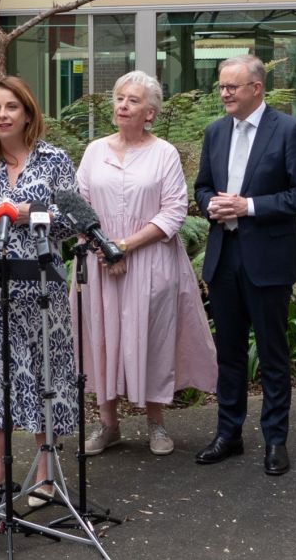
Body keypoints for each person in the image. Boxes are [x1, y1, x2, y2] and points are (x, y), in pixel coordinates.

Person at [75, 71, 217, 457]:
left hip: (151, 263)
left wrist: (124, 246)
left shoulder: (164, 153)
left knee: (152, 339)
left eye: (133, 100)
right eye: (119, 98)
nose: (122, 105)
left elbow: (173, 212)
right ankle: (108, 426)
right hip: (99, 262)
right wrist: (106, 249)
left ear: (150, 112)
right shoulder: (94, 151)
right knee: (101, 339)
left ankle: (156, 424)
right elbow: (79, 206)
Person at [193, 55, 296, 476]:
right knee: (228, 355)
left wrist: (247, 206)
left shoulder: (288, 130)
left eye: (232, 86)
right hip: (224, 258)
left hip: (269, 261)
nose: (224, 93)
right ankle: (228, 435)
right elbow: (203, 187)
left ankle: (275, 441)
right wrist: (211, 203)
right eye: (221, 87)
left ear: (257, 89)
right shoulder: (214, 132)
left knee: (272, 355)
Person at [0, 76, 77, 504]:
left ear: (27, 111)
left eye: (10, 107)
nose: (2, 115)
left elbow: (71, 217)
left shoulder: (54, 159)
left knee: (46, 375)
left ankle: (45, 473)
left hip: (41, 285)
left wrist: (30, 211)